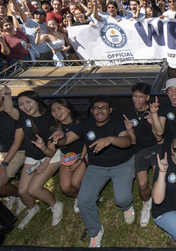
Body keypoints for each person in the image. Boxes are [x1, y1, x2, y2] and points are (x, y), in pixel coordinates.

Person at [49, 95, 136, 248]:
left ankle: (126, 207)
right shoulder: (86, 124)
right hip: (97, 166)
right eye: (96, 108)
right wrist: (60, 137)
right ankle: (95, 231)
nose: (99, 111)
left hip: (122, 163)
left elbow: (127, 141)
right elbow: (67, 139)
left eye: (103, 107)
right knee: (83, 201)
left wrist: (110, 139)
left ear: (110, 110)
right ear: (91, 111)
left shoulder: (116, 122)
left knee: (121, 199)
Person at [2, 88, 63, 229]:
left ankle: (55, 205)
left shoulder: (49, 118)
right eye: (21, 104)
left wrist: (45, 163)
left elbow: (52, 147)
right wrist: (6, 95)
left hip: (51, 155)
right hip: (32, 157)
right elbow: (8, 109)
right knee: (22, 191)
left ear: (37, 101)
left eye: (29, 102)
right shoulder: (22, 116)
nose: (25, 106)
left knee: (34, 190)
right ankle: (32, 208)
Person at [125, 82, 162, 227]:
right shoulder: (128, 114)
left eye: (141, 96)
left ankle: (160, 205)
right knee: (142, 184)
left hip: (155, 147)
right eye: (135, 96)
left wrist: (153, 122)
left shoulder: (154, 110)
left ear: (147, 97)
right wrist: (129, 130)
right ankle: (147, 203)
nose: (137, 100)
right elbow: (133, 142)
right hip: (139, 150)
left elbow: (159, 138)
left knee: (157, 179)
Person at [50, 99, 86, 213]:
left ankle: (90, 198)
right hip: (66, 157)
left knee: (76, 182)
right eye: (53, 110)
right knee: (65, 187)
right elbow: (52, 149)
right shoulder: (54, 128)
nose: (56, 112)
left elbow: (88, 142)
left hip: (84, 153)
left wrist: (80, 160)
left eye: (59, 108)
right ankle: (80, 197)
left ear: (69, 109)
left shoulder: (82, 122)